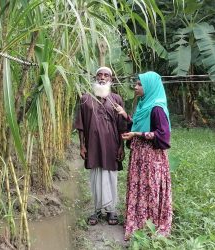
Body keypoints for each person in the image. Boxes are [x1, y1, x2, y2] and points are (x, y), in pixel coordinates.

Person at [116, 71, 172, 240]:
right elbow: (140, 124)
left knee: (149, 187)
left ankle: (150, 222)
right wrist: (126, 116)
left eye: (140, 84)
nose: (136, 87)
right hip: (140, 155)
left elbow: (163, 136)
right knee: (140, 187)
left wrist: (137, 135)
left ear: (150, 87)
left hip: (151, 157)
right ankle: (139, 220)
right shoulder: (143, 105)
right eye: (136, 84)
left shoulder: (156, 108)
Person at [74, 66, 127, 225]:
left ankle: (111, 211)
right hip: (93, 145)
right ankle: (97, 210)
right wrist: (82, 146)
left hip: (112, 145)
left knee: (111, 177)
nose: (102, 77)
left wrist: (121, 147)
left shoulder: (116, 99)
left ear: (110, 79)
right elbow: (81, 125)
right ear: (95, 77)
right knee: (96, 177)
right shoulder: (85, 98)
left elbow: (122, 125)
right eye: (99, 75)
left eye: (106, 75)